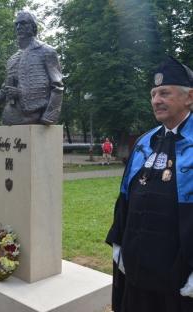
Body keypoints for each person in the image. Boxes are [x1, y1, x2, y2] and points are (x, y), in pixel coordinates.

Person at [106, 56, 193, 312]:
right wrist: (119, 243)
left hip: (177, 276)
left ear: (189, 97)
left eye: (164, 93)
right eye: (153, 94)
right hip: (137, 269)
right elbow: (126, 198)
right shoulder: (145, 142)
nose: (156, 100)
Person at [0, 10, 63, 125]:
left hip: (36, 115)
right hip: (11, 117)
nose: (18, 27)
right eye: (16, 24)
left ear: (33, 27)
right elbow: (4, 91)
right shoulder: (12, 59)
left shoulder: (47, 51)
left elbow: (57, 87)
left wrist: (49, 116)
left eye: (23, 23)